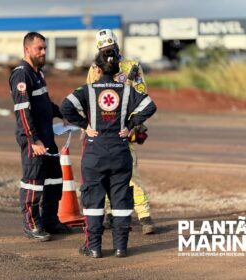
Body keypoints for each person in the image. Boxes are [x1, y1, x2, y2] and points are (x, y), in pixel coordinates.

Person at [61, 49, 156, 258]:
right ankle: (121, 247)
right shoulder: (127, 90)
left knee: (94, 201)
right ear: (116, 69)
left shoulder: (88, 89)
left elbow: (65, 107)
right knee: (121, 199)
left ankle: (94, 247)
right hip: (120, 150)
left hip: (95, 152)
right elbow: (150, 106)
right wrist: (131, 124)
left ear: (97, 68)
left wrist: (84, 125)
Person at [87, 29, 155, 234]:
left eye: (111, 48)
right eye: (104, 49)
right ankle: (109, 213)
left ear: (117, 46)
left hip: (124, 129)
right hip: (103, 130)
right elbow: (90, 95)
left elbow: (142, 96)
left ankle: (144, 216)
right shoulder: (94, 68)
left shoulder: (132, 67)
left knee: (130, 172)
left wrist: (134, 123)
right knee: (106, 173)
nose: (108, 53)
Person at [9, 32, 71, 241]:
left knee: (54, 180)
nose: (44, 52)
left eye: (45, 48)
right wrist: (33, 140)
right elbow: (23, 112)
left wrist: (65, 115)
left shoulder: (38, 73)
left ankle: (50, 221)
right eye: (39, 48)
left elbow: (45, 105)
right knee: (33, 183)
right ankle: (32, 224)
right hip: (34, 141)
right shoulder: (21, 75)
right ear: (27, 49)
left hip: (47, 138)